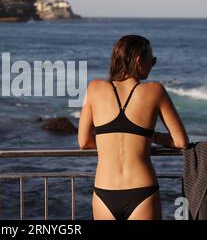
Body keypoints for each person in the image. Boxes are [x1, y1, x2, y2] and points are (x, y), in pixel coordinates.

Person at [78, 35, 188, 220]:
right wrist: (152, 137)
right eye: (152, 60)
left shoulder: (94, 88)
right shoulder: (155, 90)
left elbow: (84, 142)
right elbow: (181, 141)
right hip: (142, 191)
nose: (152, 65)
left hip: (104, 191)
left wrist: (110, 142)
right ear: (139, 61)